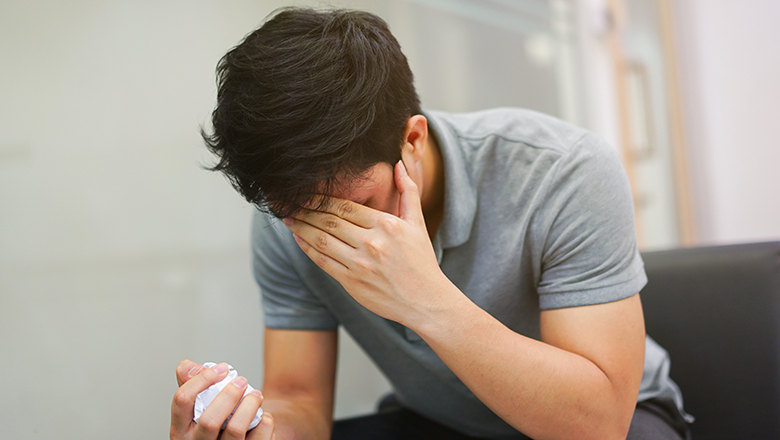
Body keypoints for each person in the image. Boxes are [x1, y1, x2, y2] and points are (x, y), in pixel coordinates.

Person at [170, 7, 691, 440]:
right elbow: (301, 401)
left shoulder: (564, 172)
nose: (325, 228)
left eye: (353, 203)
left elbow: (599, 423)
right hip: (440, 420)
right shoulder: (287, 219)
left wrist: (425, 299)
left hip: (615, 418)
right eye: (294, 211)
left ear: (412, 141)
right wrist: (249, 432)